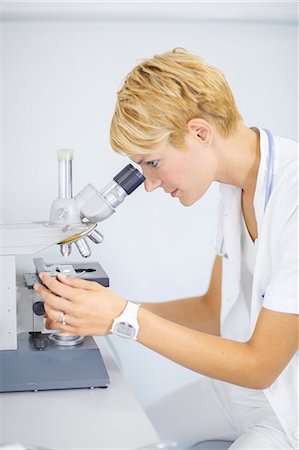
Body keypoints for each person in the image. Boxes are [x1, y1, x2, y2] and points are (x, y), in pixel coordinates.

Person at [34, 49, 298, 449]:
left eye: (153, 162)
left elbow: (261, 365)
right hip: (235, 393)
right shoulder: (234, 186)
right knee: (129, 440)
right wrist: (101, 311)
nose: (151, 185)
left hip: (286, 408)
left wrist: (124, 318)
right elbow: (213, 311)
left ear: (200, 132)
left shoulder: (294, 195)